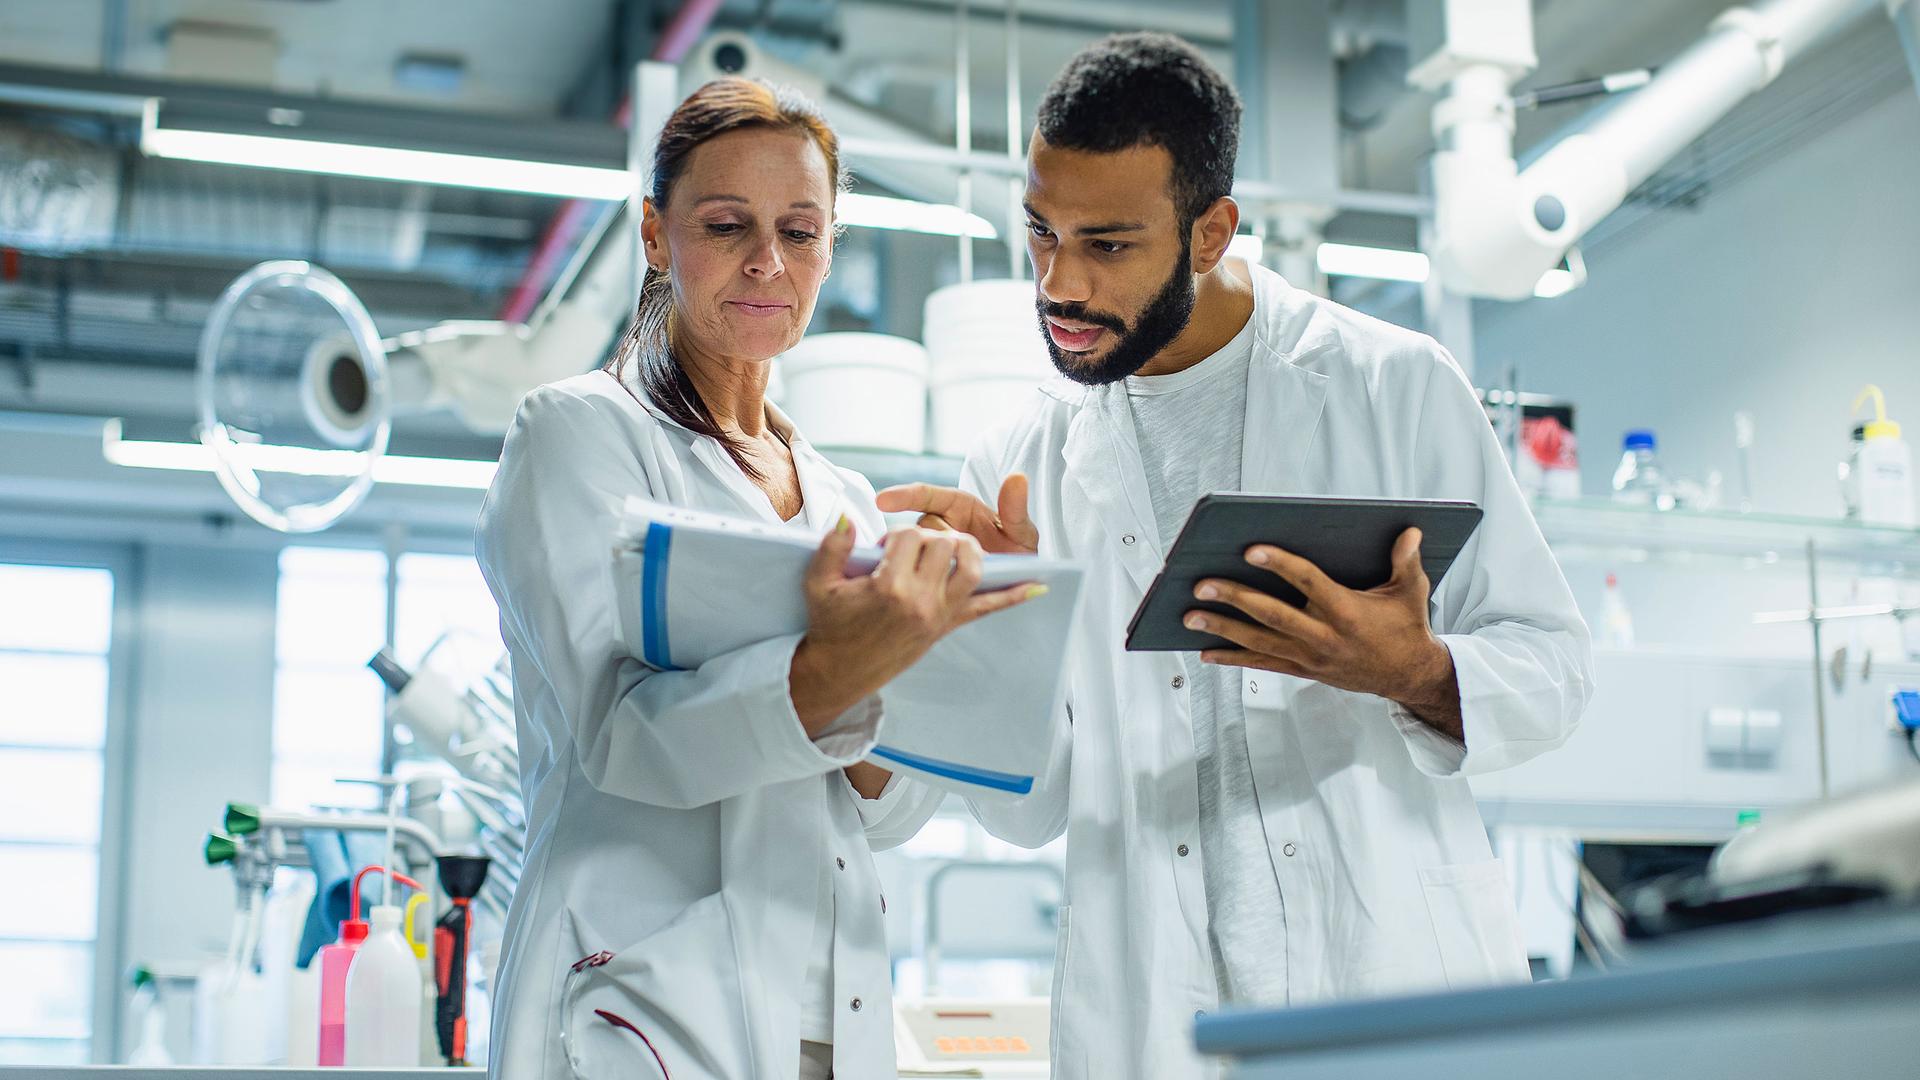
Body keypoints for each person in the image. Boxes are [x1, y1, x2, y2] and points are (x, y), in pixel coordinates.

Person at [879, 33, 1594, 1079]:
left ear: (1210, 231)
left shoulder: (1389, 386)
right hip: (1153, 1025)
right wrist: (998, 649)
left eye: (1109, 246)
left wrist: (1413, 671)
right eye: (1041, 233)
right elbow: (1031, 810)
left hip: (1386, 990)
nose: (1058, 284)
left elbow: (1557, 669)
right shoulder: (1020, 462)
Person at [477, 77, 1031, 1080]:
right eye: (727, 225)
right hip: (645, 998)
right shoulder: (578, 437)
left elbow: (885, 810)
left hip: (830, 1012)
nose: (769, 263)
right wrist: (832, 668)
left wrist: (969, 636)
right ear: (656, 234)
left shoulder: (844, 499)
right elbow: (622, 735)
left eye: (802, 231)